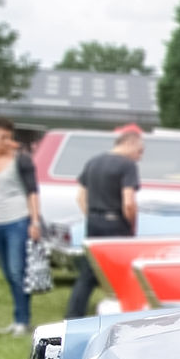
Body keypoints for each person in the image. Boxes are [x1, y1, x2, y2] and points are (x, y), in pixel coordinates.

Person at [66, 128, 143, 319]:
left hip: (94, 222)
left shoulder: (93, 162)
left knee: (88, 272)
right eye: (140, 151)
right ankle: (125, 313)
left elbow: (80, 197)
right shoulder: (127, 166)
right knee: (123, 272)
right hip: (116, 223)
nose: (139, 157)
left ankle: (73, 315)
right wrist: (131, 224)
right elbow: (128, 202)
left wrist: (92, 216)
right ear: (130, 143)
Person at [0, 117, 42, 335]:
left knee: (18, 271)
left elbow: (33, 192)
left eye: (6, 137)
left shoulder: (21, 160)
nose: (4, 141)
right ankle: (17, 319)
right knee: (6, 271)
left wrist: (35, 221)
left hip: (17, 220)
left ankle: (23, 321)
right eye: (0, 137)